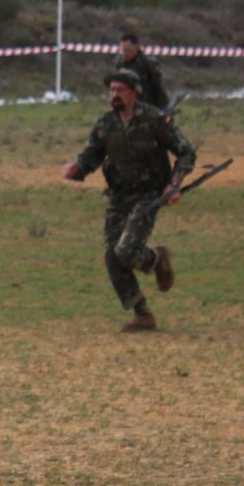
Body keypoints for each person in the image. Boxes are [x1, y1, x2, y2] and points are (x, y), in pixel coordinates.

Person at [62, 69, 196, 332]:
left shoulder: (154, 120)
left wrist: (174, 184)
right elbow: (92, 155)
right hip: (118, 196)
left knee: (126, 251)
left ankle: (156, 259)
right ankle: (142, 313)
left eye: (119, 90)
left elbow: (185, 152)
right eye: (111, 90)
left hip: (148, 196)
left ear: (134, 92)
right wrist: (77, 168)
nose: (114, 95)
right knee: (113, 257)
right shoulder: (105, 124)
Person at [115, 31, 169, 109]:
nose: (125, 53)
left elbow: (157, 84)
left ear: (136, 48)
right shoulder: (120, 62)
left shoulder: (148, 62)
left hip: (148, 101)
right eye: (122, 50)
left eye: (128, 50)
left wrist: (161, 104)